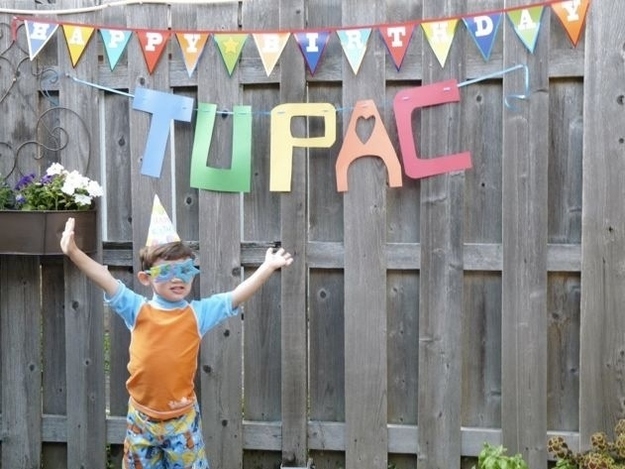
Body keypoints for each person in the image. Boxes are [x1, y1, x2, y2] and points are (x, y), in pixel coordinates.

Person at [60, 214, 293, 469]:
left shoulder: (197, 315)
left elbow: (235, 297)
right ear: (146, 278)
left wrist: (267, 267)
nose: (177, 278)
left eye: (184, 270)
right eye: (166, 271)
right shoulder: (137, 310)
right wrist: (74, 252)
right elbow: (104, 278)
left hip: (182, 421)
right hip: (141, 419)